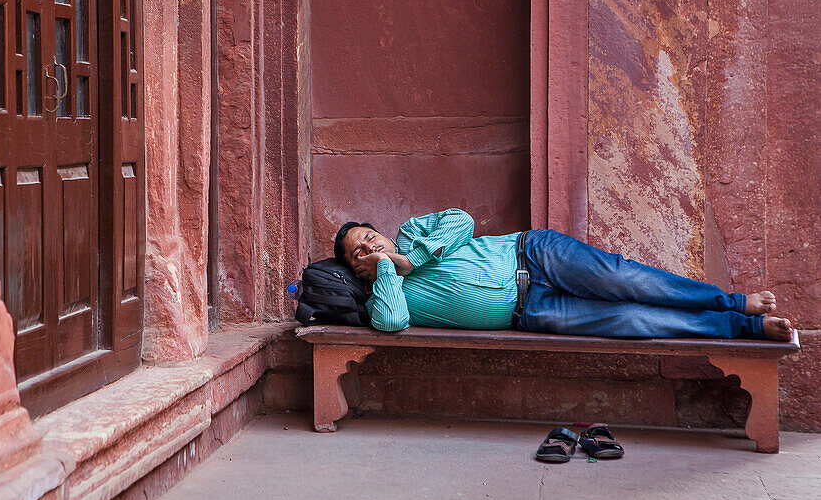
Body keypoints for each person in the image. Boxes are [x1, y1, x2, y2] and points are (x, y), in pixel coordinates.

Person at [334, 208, 794, 341]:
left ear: (383, 233)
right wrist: (388, 274)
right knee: (633, 321)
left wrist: (412, 257)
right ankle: (744, 327)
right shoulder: (384, 298)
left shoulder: (413, 232)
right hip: (531, 311)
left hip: (535, 254)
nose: (369, 247)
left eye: (369, 237)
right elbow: (392, 323)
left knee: (630, 281)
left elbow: (463, 221)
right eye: (358, 253)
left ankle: (732, 301)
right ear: (356, 269)